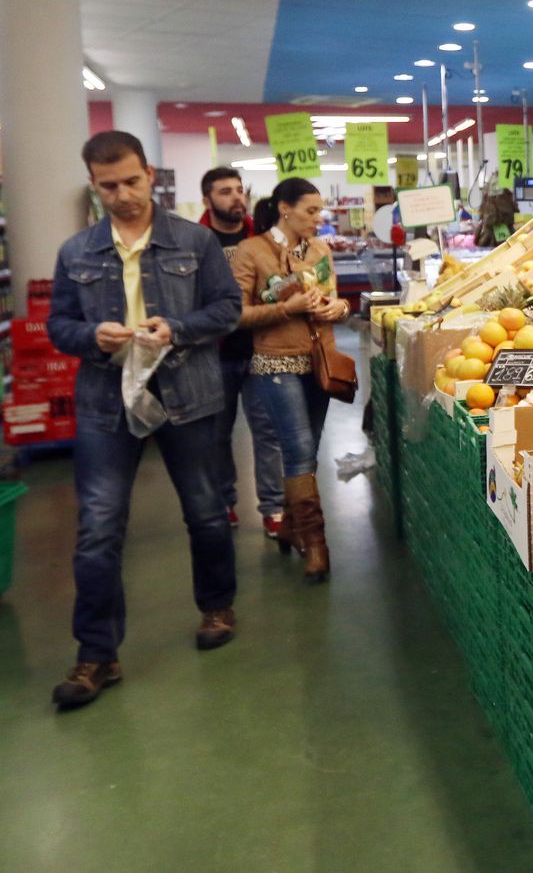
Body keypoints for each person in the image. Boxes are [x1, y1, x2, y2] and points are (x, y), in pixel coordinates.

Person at [46, 130, 242, 708]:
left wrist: (176, 330)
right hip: (107, 397)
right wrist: (90, 336)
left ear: (150, 174)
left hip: (188, 389)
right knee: (99, 526)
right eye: (109, 186)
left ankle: (217, 605)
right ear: (94, 185)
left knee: (207, 511)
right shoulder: (75, 251)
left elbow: (227, 307)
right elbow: (59, 325)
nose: (123, 194)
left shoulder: (195, 241)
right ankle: (96, 655)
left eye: (132, 180)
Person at [232, 179, 351, 584]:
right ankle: (315, 544)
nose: (319, 219)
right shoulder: (252, 251)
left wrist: (339, 306)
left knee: (309, 449)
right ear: (285, 209)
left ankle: (287, 526)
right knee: (298, 448)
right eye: (311, 211)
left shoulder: (321, 251)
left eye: (321, 211)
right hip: (275, 363)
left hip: (319, 360)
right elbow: (235, 314)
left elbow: (334, 298)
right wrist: (287, 309)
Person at [200, 167, 284, 539]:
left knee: (267, 431)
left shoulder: (263, 239)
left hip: (260, 348)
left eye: (239, 190)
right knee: (216, 434)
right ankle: (223, 502)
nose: (236, 198)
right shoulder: (194, 241)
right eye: (224, 192)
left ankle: (274, 507)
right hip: (211, 353)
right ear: (207, 200)